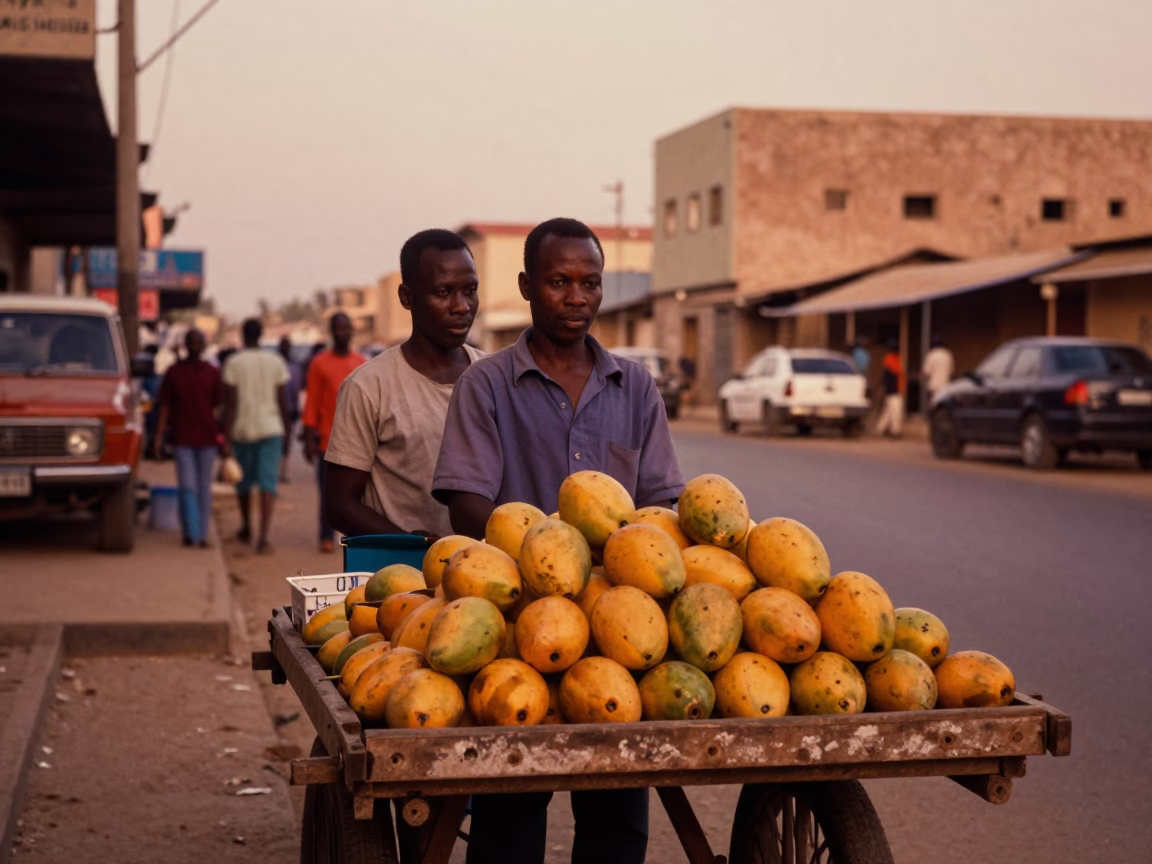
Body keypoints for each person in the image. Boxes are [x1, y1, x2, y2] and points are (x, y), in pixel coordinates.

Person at [432, 218, 684, 864]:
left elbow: (662, 505)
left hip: (621, 623)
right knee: (511, 818)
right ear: (526, 287)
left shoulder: (637, 387)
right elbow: (466, 503)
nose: (577, 297)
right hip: (521, 624)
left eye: (590, 283)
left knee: (617, 820)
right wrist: (536, 563)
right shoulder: (485, 385)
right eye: (559, 282)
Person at [324, 229, 482, 542]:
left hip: (486, 577)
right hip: (398, 581)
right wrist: (412, 545)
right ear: (407, 298)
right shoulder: (369, 386)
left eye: (470, 290)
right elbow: (340, 504)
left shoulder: (495, 378)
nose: (461, 305)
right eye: (443, 292)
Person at [221, 318, 291, 554]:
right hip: (271, 429)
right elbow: (283, 401)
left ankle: (246, 527)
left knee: (242, 483)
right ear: (261, 335)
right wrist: (288, 433)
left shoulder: (234, 362)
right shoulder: (276, 362)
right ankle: (263, 537)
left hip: (242, 430)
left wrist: (225, 437)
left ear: (243, 335)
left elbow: (230, 404)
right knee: (267, 485)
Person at [302, 313, 366, 552]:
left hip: (358, 442)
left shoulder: (361, 362)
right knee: (329, 494)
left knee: (357, 497)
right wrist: (308, 438)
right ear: (331, 332)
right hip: (327, 442)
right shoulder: (319, 363)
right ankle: (325, 536)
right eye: (337, 329)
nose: (342, 333)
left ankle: (354, 539)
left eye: (345, 328)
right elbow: (312, 402)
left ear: (351, 330)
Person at [153, 329, 222, 548]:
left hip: (207, 438)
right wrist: (158, 437)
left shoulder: (212, 372)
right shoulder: (174, 372)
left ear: (203, 345)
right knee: (187, 487)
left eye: (198, 342)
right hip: (182, 438)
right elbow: (165, 407)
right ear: (185, 345)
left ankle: (201, 535)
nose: (195, 346)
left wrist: (223, 435)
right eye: (191, 342)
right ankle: (191, 533)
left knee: (203, 488)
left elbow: (218, 407)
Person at [278, 336, 303, 482]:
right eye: (283, 345)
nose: (285, 348)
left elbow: (296, 389)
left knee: (287, 440)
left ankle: (284, 470)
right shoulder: (275, 364)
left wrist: (296, 407)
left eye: (287, 345)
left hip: (289, 408)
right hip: (275, 409)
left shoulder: (295, 366)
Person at [875, 338, 905, 438]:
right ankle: (895, 431)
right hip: (893, 389)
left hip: (894, 389)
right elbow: (888, 375)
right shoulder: (891, 358)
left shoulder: (895, 358)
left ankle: (880, 429)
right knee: (896, 411)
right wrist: (884, 387)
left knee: (888, 411)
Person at [922, 334, 955, 405]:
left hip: (934, 386)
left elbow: (926, 372)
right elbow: (952, 372)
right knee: (943, 406)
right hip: (945, 385)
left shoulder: (931, 354)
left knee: (934, 405)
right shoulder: (948, 354)